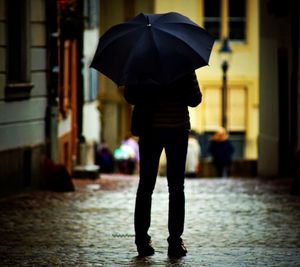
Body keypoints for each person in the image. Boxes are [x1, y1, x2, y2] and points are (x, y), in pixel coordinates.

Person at [123, 71, 202, 257]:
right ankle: (175, 242)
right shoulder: (183, 63)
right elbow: (195, 99)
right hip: (177, 129)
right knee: (176, 188)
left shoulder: (142, 62)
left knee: (145, 186)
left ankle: (142, 241)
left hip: (150, 129)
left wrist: (148, 88)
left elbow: (129, 96)